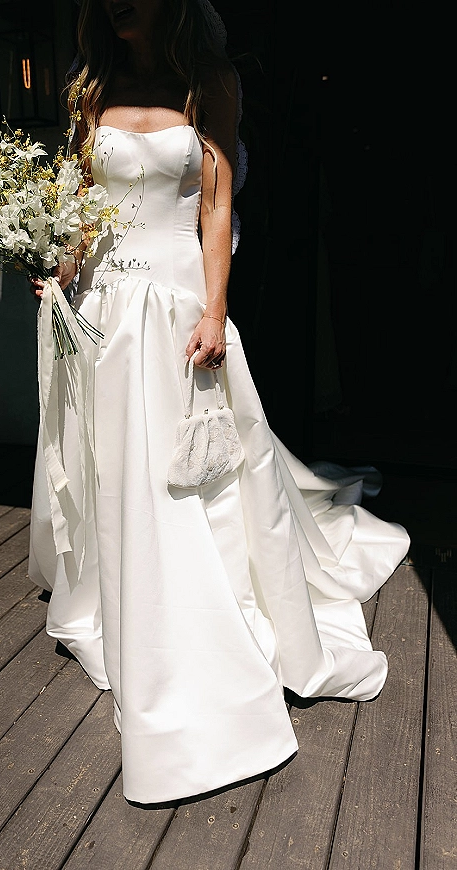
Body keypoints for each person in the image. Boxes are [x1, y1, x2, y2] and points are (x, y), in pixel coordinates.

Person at [28, 0, 410, 805]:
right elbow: (79, 200)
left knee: (189, 467)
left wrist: (211, 311)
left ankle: (201, 613)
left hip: (174, 302)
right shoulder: (87, 88)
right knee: (113, 459)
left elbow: (217, 207)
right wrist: (62, 268)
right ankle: (127, 592)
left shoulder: (210, 84)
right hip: (102, 304)